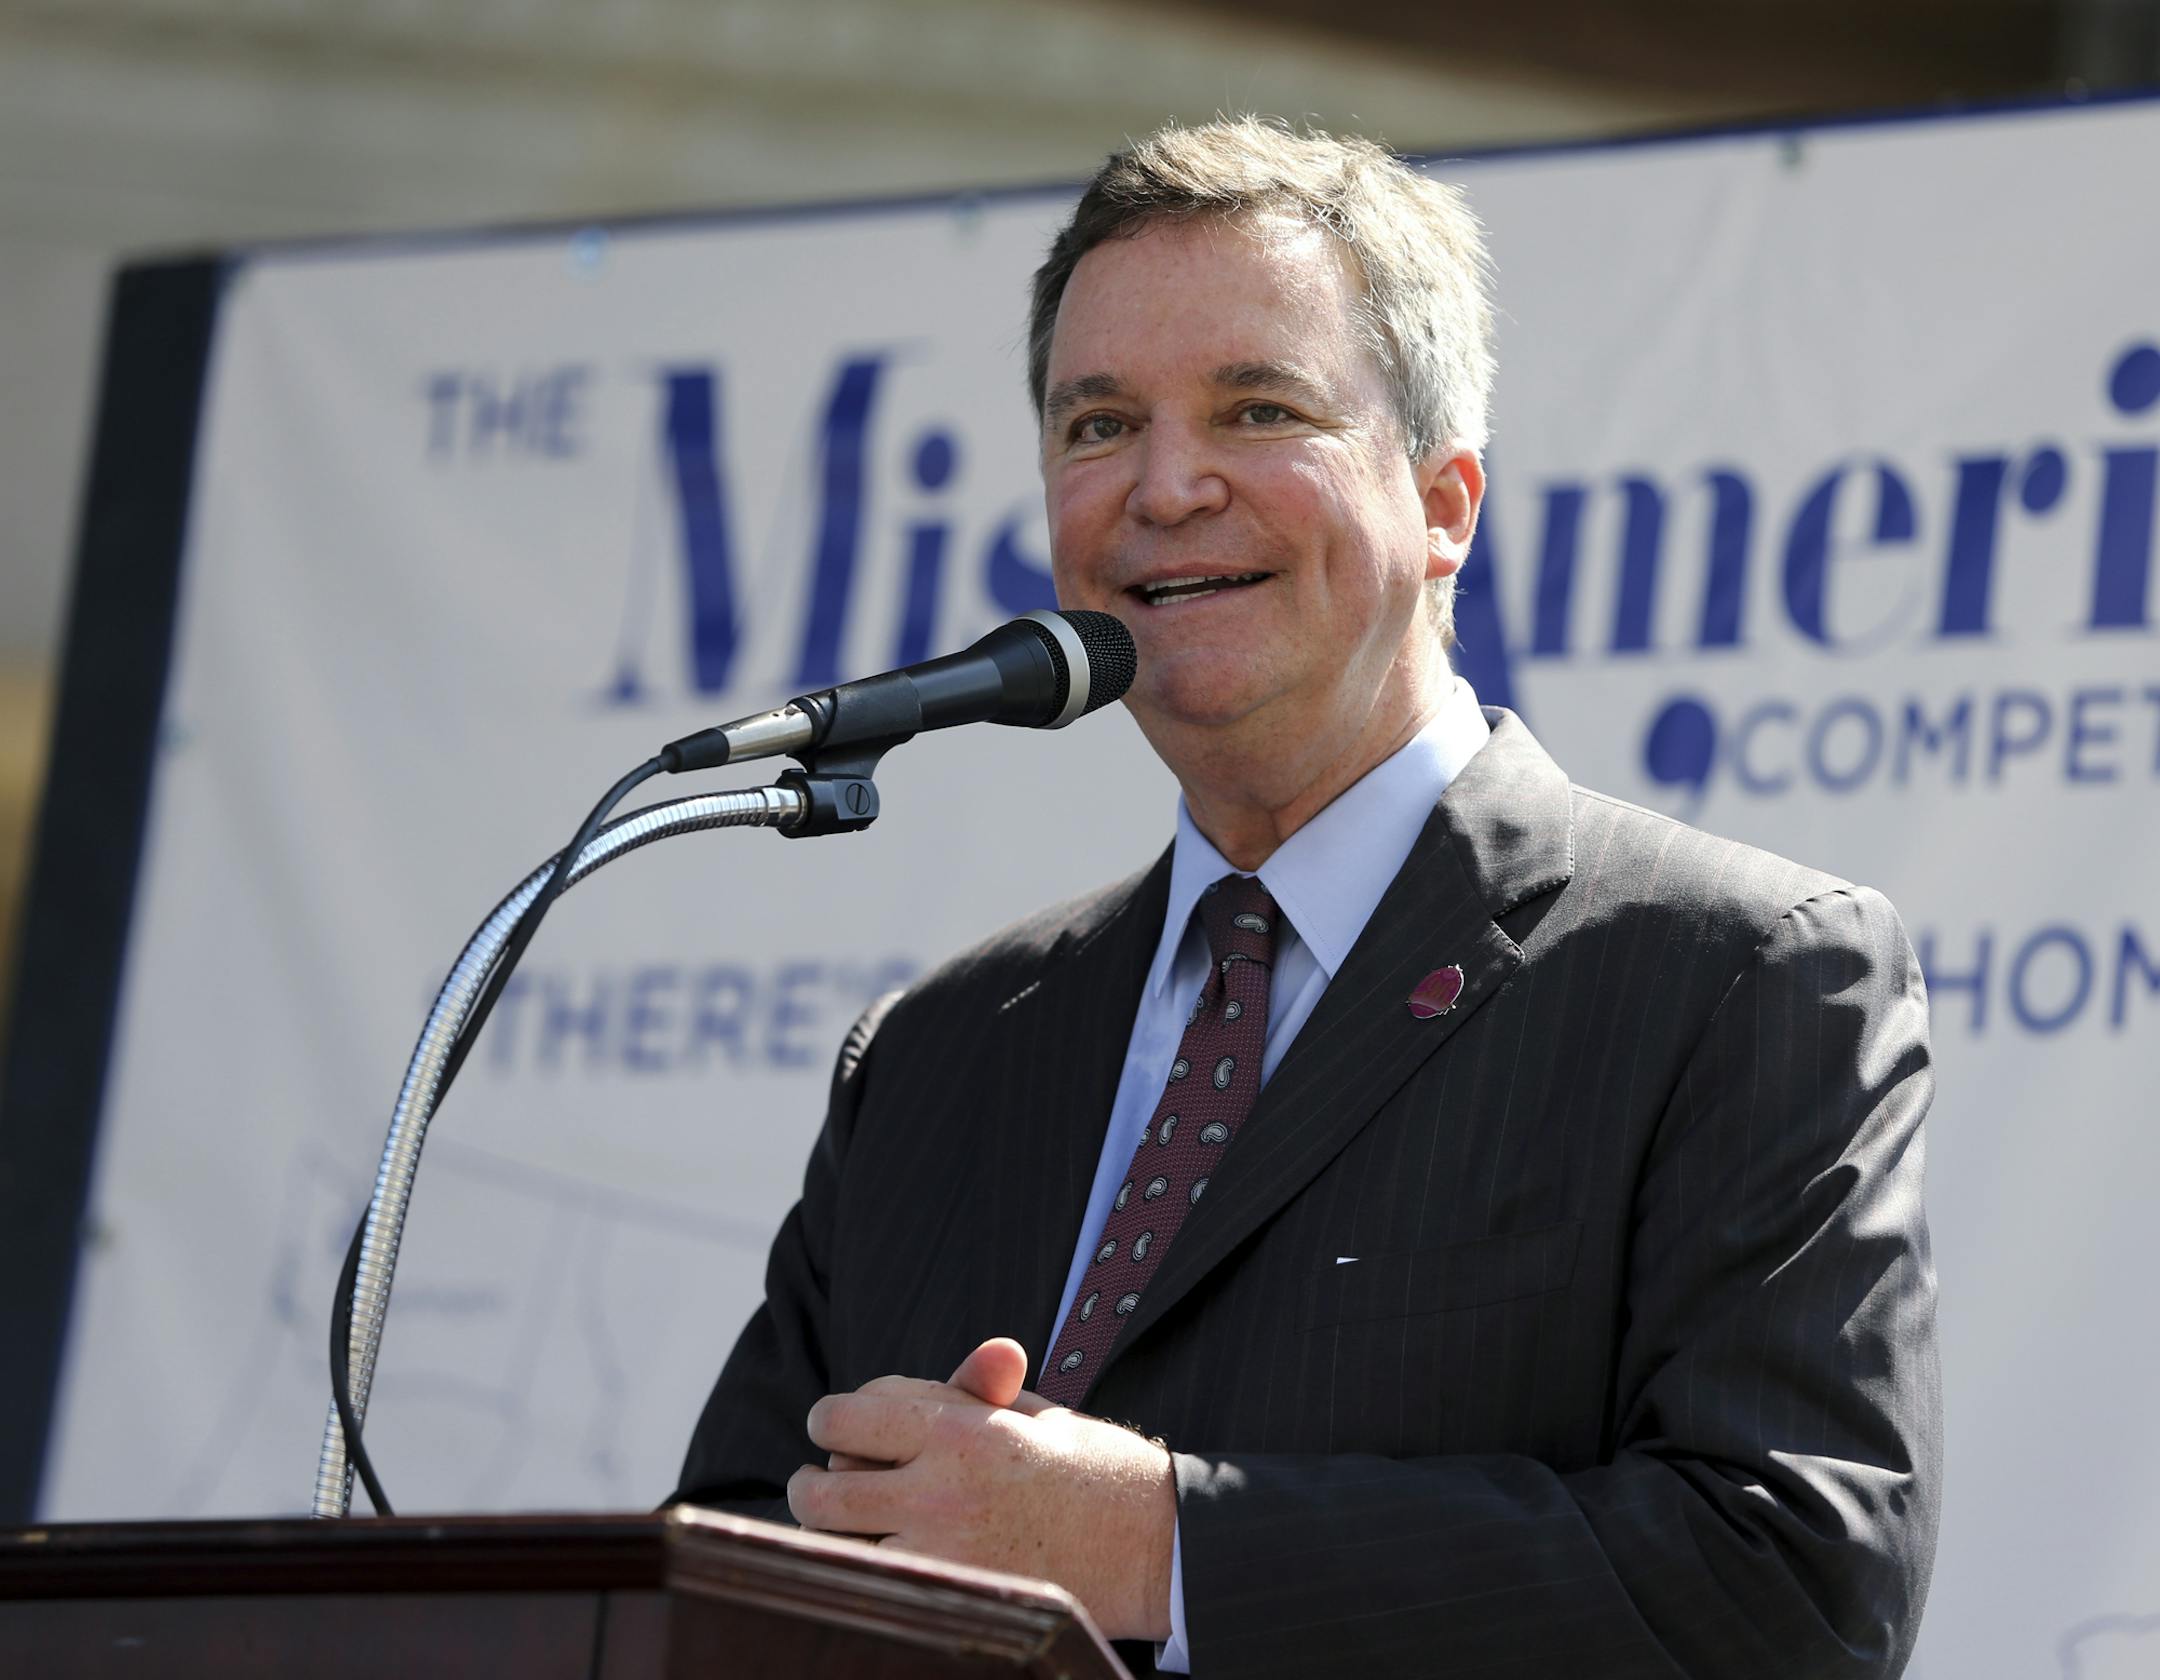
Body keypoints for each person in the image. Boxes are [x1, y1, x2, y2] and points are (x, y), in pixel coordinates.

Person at [673, 117, 1941, 1679]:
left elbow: (1791, 1586)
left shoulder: (1739, 976)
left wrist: (1163, 1546)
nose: (1165, 486)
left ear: (1446, 505)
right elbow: (719, 1576)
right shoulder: (937, 1051)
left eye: (1256, 408)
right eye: (1097, 425)